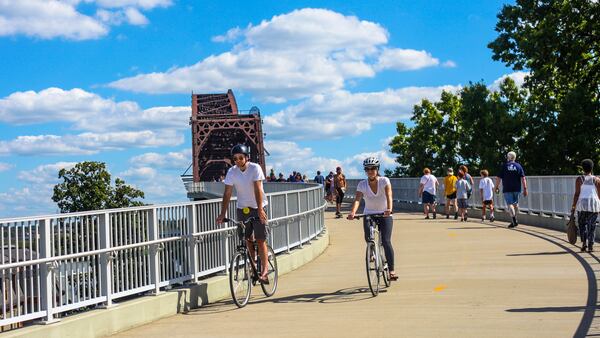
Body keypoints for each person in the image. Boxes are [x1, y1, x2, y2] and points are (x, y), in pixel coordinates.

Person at [216, 144, 270, 283]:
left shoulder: (255, 168)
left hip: (258, 207)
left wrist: (259, 209)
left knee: (260, 239)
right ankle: (253, 268)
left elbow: (257, 189)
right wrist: (223, 213)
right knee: (247, 240)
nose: (238, 160)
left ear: (247, 158)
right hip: (242, 209)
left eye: (241, 157)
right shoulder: (232, 172)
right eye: (235, 159)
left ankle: (265, 271)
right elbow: (227, 193)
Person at [347, 157, 398, 281]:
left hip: (385, 214)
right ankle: (372, 252)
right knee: (368, 237)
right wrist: (352, 212)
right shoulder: (362, 184)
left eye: (373, 168)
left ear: (377, 169)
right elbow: (357, 200)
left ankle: (391, 271)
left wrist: (389, 209)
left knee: (386, 241)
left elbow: (389, 195)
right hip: (369, 213)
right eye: (367, 169)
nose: (370, 171)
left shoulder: (384, 181)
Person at [571, 159, 600, 252]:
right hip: (594, 205)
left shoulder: (579, 179)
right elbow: (599, 194)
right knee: (592, 226)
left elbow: (577, 194)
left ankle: (584, 243)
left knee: (582, 224)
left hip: (582, 204)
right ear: (592, 168)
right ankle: (591, 245)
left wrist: (573, 207)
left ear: (583, 169)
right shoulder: (597, 180)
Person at [495, 151, 528, 228]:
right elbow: (523, 178)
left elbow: (499, 178)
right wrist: (525, 188)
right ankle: (514, 219)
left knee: (510, 204)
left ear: (508, 157)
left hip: (507, 188)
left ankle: (514, 220)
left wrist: (496, 186)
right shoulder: (518, 166)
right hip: (517, 188)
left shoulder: (504, 166)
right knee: (515, 204)